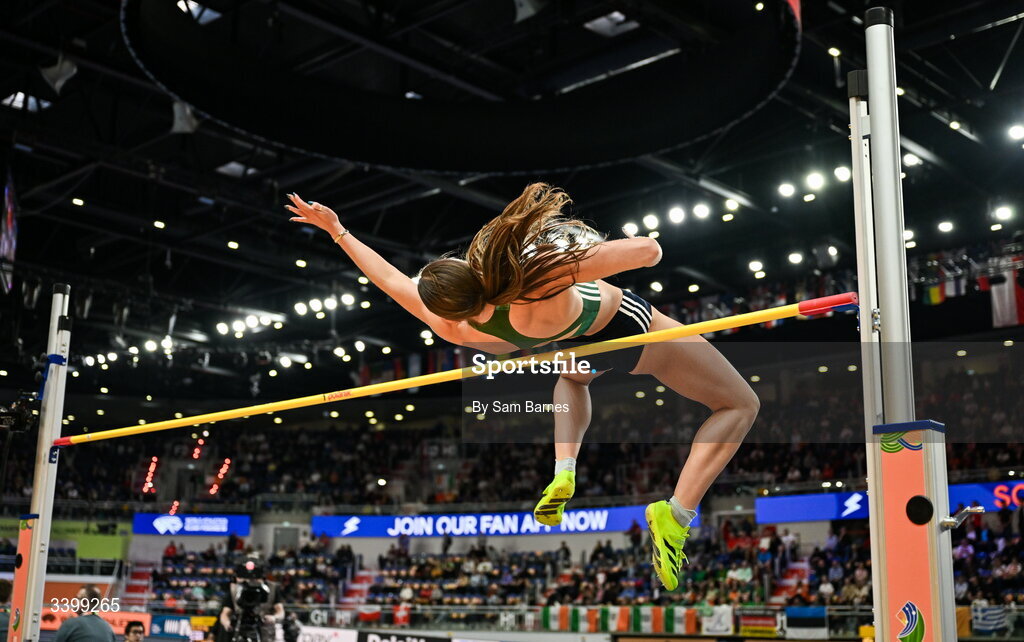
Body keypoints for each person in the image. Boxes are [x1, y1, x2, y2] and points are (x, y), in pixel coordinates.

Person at [287, 183, 759, 590]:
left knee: (573, 377)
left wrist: (337, 231)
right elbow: (649, 251)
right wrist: (565, 256)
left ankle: (565, 466)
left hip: (565, 349)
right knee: (737, 404)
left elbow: (387, 278)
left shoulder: (451, 326)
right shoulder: (536, 278)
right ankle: (676, 514)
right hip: (624, 329)